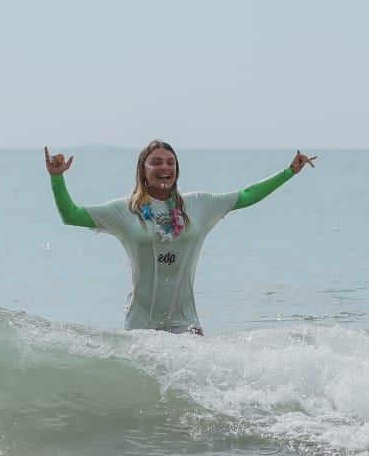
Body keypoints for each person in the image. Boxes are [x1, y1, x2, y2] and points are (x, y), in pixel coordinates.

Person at [44, 141, 317, 334]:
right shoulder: (125, 210)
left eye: (171, 162)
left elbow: (246, 196)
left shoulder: (199, 204)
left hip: (186, 325)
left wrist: (289, 171)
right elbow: (72, 215)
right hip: (140, 328)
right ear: (143, 169)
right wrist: (57, 179)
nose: (165, 167)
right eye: (156, 162)